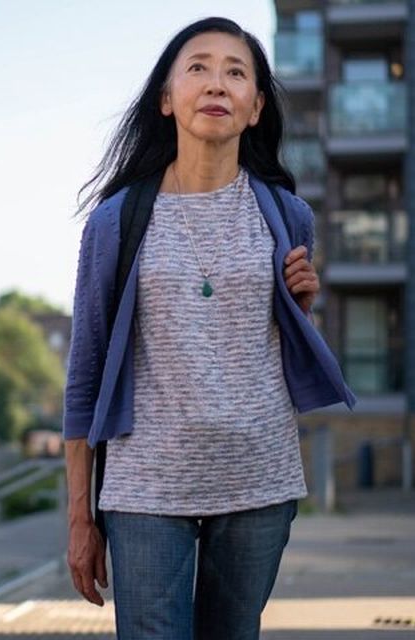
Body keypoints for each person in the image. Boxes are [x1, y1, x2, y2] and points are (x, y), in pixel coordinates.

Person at [62, 17, 357, 640]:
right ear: (167, 99)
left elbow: (273, 342)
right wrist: (79, 517)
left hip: (259, 476)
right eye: (198, 67)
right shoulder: (115, 222)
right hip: (146, 486)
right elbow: (84, 372)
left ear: (255, 107)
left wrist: (301, 307)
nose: (216, 83)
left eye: (235, 71)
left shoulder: (288, 217)